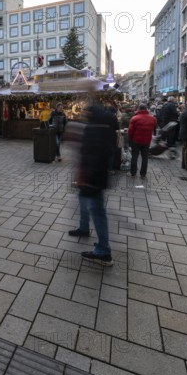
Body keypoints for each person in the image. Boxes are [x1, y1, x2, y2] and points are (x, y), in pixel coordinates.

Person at [68, 104, 113, 266]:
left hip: (92, 180)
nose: (83, 114)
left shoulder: (93, 130)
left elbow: (92, 157)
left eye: (86, 112)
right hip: (92, 178)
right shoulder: (98, 127)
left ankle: (103, 251)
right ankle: (83, 227)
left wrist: (85, 179)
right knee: (85, 204)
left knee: (98, 212)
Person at [127, 103, 156, 178]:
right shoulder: (152, 118)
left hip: (136, 140)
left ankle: (133, 172)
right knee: (145, 157)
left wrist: (130, 139)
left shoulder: (134, 118)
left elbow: (130, 131)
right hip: (146, 140)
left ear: (139, 109)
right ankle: (143, 173)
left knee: (134, 156)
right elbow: (153, 129)